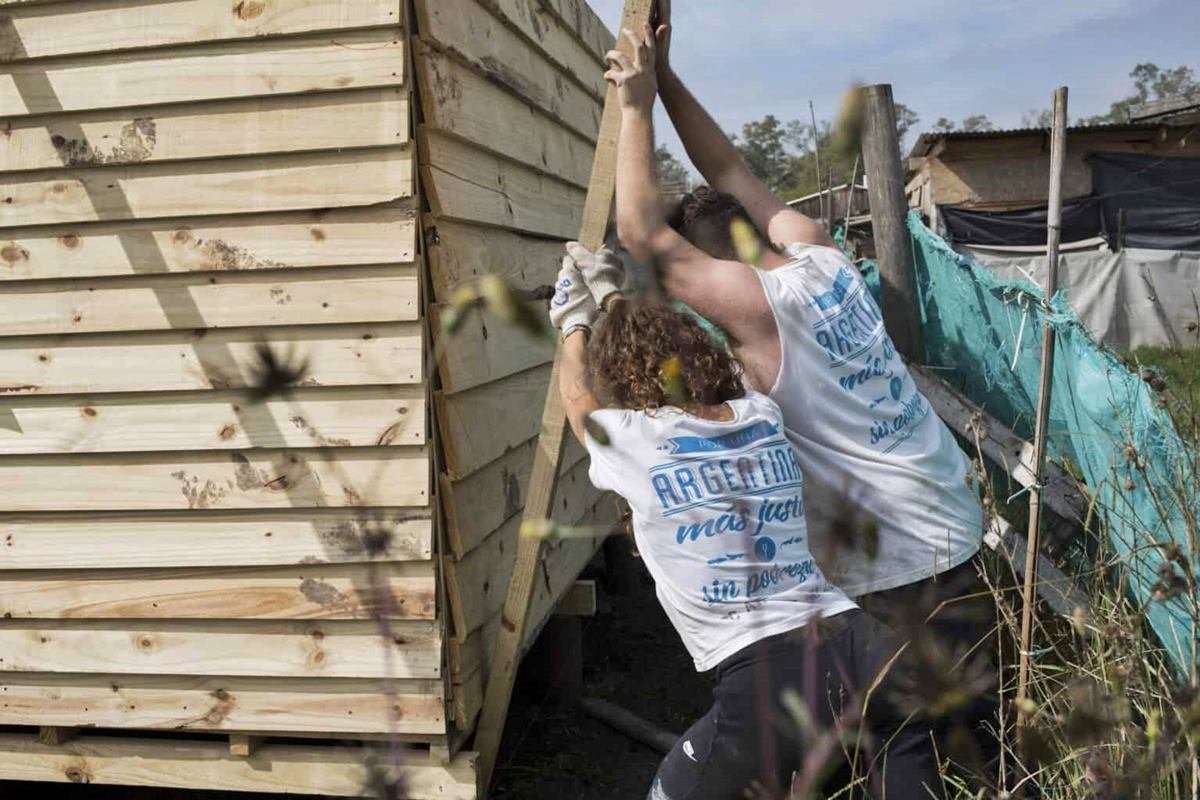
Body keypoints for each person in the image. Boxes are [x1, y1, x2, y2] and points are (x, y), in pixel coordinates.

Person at [582, 4, 990, 704]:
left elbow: (642, 234)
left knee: (905, 754)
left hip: (897, 570)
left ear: (719, 268)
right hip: (953, 527)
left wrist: (638, 107)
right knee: (963, 743)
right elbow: (730, 167)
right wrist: (671, 77)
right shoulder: (824, 257)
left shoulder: (763, 310)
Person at [547, 257, 943, 798]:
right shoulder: (759, 414)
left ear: (622, 376)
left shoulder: (634, 439)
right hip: (873, 654)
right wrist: (619, 301)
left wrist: (574, 323)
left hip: (770, 680)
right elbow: (670, 350)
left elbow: (576, 402)